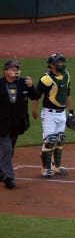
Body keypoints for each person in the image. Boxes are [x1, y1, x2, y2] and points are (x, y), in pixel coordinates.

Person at [31, 54, 74, 178]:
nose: (61, 64)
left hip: (62, 113)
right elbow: (36, 95)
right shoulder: (46, 79)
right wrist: (34, 110)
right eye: (58, 62)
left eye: (62, 62)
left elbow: (68, 94)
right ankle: (46, 168)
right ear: (51, 64)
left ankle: (57, 166)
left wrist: (71, 112)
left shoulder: (67, 75)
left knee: (60, 139)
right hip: (49, 114)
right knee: (50, 141)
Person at [0, 59, 40, 189]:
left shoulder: (23, 83)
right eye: (12, 68)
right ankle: (9, 178)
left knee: (9, 149)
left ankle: (1, 172)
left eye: (16, 68)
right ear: (6, 70)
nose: (15, 70)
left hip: (17, 124)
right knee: (7, 149)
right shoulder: (0, 84)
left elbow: (35, 96)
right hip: (1, 124)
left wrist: (31, 86)